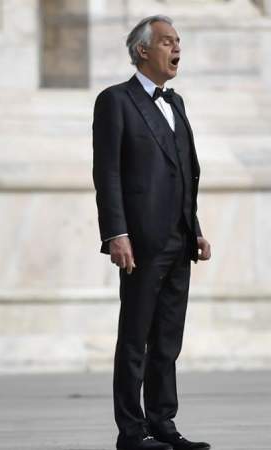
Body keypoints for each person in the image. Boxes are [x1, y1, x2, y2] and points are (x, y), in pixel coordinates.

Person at [92, 14, 212, 450]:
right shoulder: (116, 101)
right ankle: (131, 430)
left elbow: (185, 172)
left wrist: (195, 228)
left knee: (167, 340)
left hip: (180, 241)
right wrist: (115, 233)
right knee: (135, 339)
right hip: (140, 243)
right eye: (167, 41)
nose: (176, 48)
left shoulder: (176, 103)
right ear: (142, 50)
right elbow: (106, 174)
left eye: (179, 41)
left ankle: (163, 422)